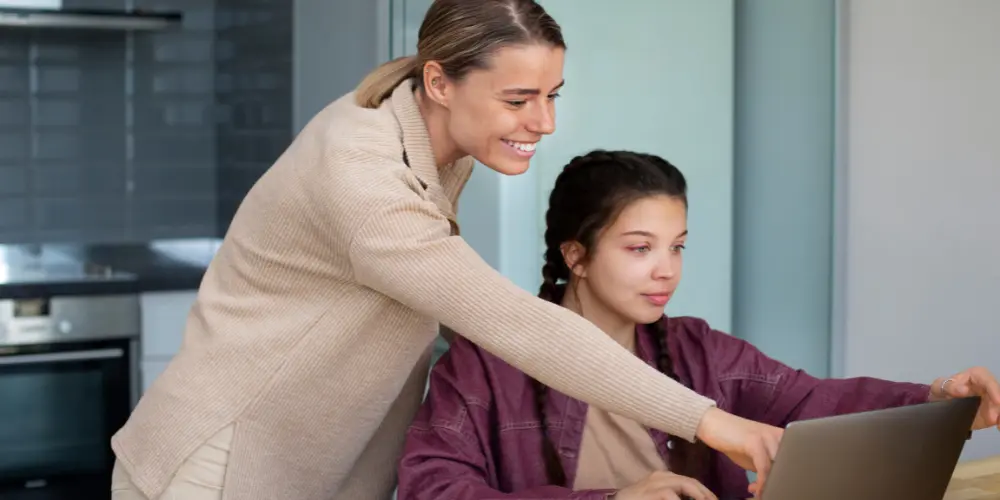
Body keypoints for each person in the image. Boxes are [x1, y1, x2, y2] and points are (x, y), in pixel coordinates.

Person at [108, 2, 785, 499]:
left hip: (314, 462)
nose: (543, 123)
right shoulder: (363, 176)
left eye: (551, 96)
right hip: (226, 467)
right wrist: (710, 422)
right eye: (519, 99)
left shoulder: (427, 138)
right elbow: (515, 323)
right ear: (440, 82)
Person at [395, 150, 1000, 500]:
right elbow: (435, 489)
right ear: (575, 256)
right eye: (639, 248)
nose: (666, 271)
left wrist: (935, 400)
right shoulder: (486, 363)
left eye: (677, 247)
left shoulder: (698, 349)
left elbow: (814, 401)